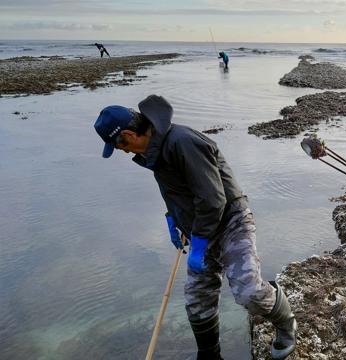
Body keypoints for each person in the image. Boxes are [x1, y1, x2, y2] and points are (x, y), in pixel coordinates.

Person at [93, 95, 296, 360]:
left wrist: (199, 245)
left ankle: (287, 324)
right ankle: (209, 355)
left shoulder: (182, 142)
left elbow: (213, 200)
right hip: (199, 226)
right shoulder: (154, 151)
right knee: (196, 300)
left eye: (119, 146)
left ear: (129, 135)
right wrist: (173, 221)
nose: (123, 152)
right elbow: (176, 192)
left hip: (230, 221)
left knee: (248, 292)